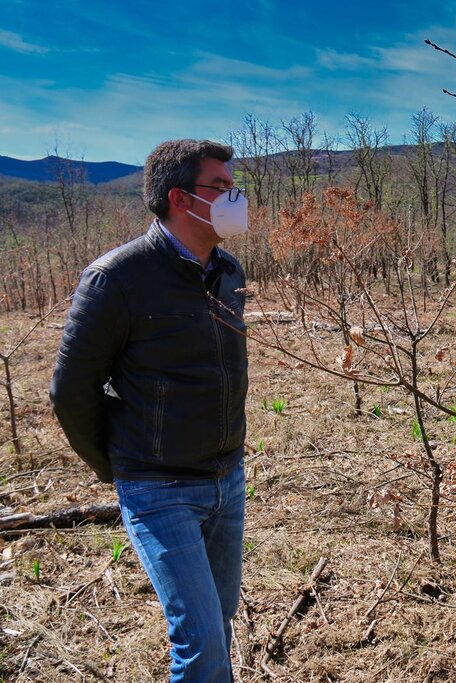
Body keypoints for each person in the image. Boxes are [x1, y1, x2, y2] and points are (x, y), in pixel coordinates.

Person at [50, 139, 250, 682]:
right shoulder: (117, 278)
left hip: (227, 478)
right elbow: (70, 392)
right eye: (222, 187)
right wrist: (119, 467)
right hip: (158, 488)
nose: (236, 197)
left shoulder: (227, 272)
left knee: (219, 624)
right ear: (180, 199)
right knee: (201, 639)